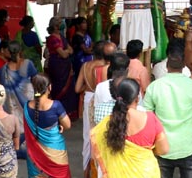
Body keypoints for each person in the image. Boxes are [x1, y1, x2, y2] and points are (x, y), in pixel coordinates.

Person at [144, 39, 192, 178]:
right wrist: (190, 121)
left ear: (166, 67)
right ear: (184, 66)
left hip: (162, 145)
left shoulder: (154, 87)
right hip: (188, 146)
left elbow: (147, 116)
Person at [91, 78, 169, 178]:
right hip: (146, 173)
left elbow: (96, 154)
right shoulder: (150, 119)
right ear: (137, 99)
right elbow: (164, 149)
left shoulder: (106, 123)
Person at [23, 73, 72, 178]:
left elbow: (36, 123)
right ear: (49, 87)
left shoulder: (26, 106)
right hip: (56, 153)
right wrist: (57, 125)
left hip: (35, 156)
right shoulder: (56, 105)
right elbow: (67, 125)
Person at [75, 40, 106, 176]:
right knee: (102, 134)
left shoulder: (86, 65)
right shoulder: (105, 67)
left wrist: (87, 87)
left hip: (88, 98)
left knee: (87, 137)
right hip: (101, 99)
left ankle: (85, 172)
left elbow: (77, 88)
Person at [0, 39, 38, 127]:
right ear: (20, 50)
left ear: (8, 51)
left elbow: (2, 87)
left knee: (15, 133)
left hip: (11, 109)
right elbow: (36, 81)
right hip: (27, 106)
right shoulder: (27, 64)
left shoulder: (3, 70)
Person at [45, 17, 78, 120]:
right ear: (55, 26)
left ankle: (68, 113)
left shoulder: (61, 37)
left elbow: (71, 50)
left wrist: (66, 52)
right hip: (57, 67)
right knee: (58, 87)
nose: (62, 24)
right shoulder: (52, 38)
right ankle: (58, 113)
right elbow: (63, 54)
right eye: (59, 23)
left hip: (65, 67)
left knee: (69, 90)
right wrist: (66, 52)